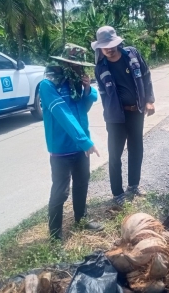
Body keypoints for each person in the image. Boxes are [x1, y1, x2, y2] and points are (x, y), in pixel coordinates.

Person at [40, 44, 103, 240]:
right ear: (64, 63)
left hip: (80, 146)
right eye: (75, 65)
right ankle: (55, 234)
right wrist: (85, 141)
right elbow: (63, 114)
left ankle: (81, 219)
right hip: (62, 149)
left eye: (81, 66)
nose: (80, 70)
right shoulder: (49, 85)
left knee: (82, 183)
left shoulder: (73, 83)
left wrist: (86, 88)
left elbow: (82, 109)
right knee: (60, 190)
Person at [92, 26, 155, 206]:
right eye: (105, 47)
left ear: (117, 42)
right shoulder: (100, 67)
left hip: (136, 112)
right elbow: (104, 95)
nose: (109, 49)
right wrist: (110, 115)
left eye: (111, 45)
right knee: (115, 154)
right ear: (100, 48)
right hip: (115, 119)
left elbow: (146, 75)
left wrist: (149, 100)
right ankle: (117, 193)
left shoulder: (132, 54)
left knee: (136, 149)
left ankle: (133, 185)